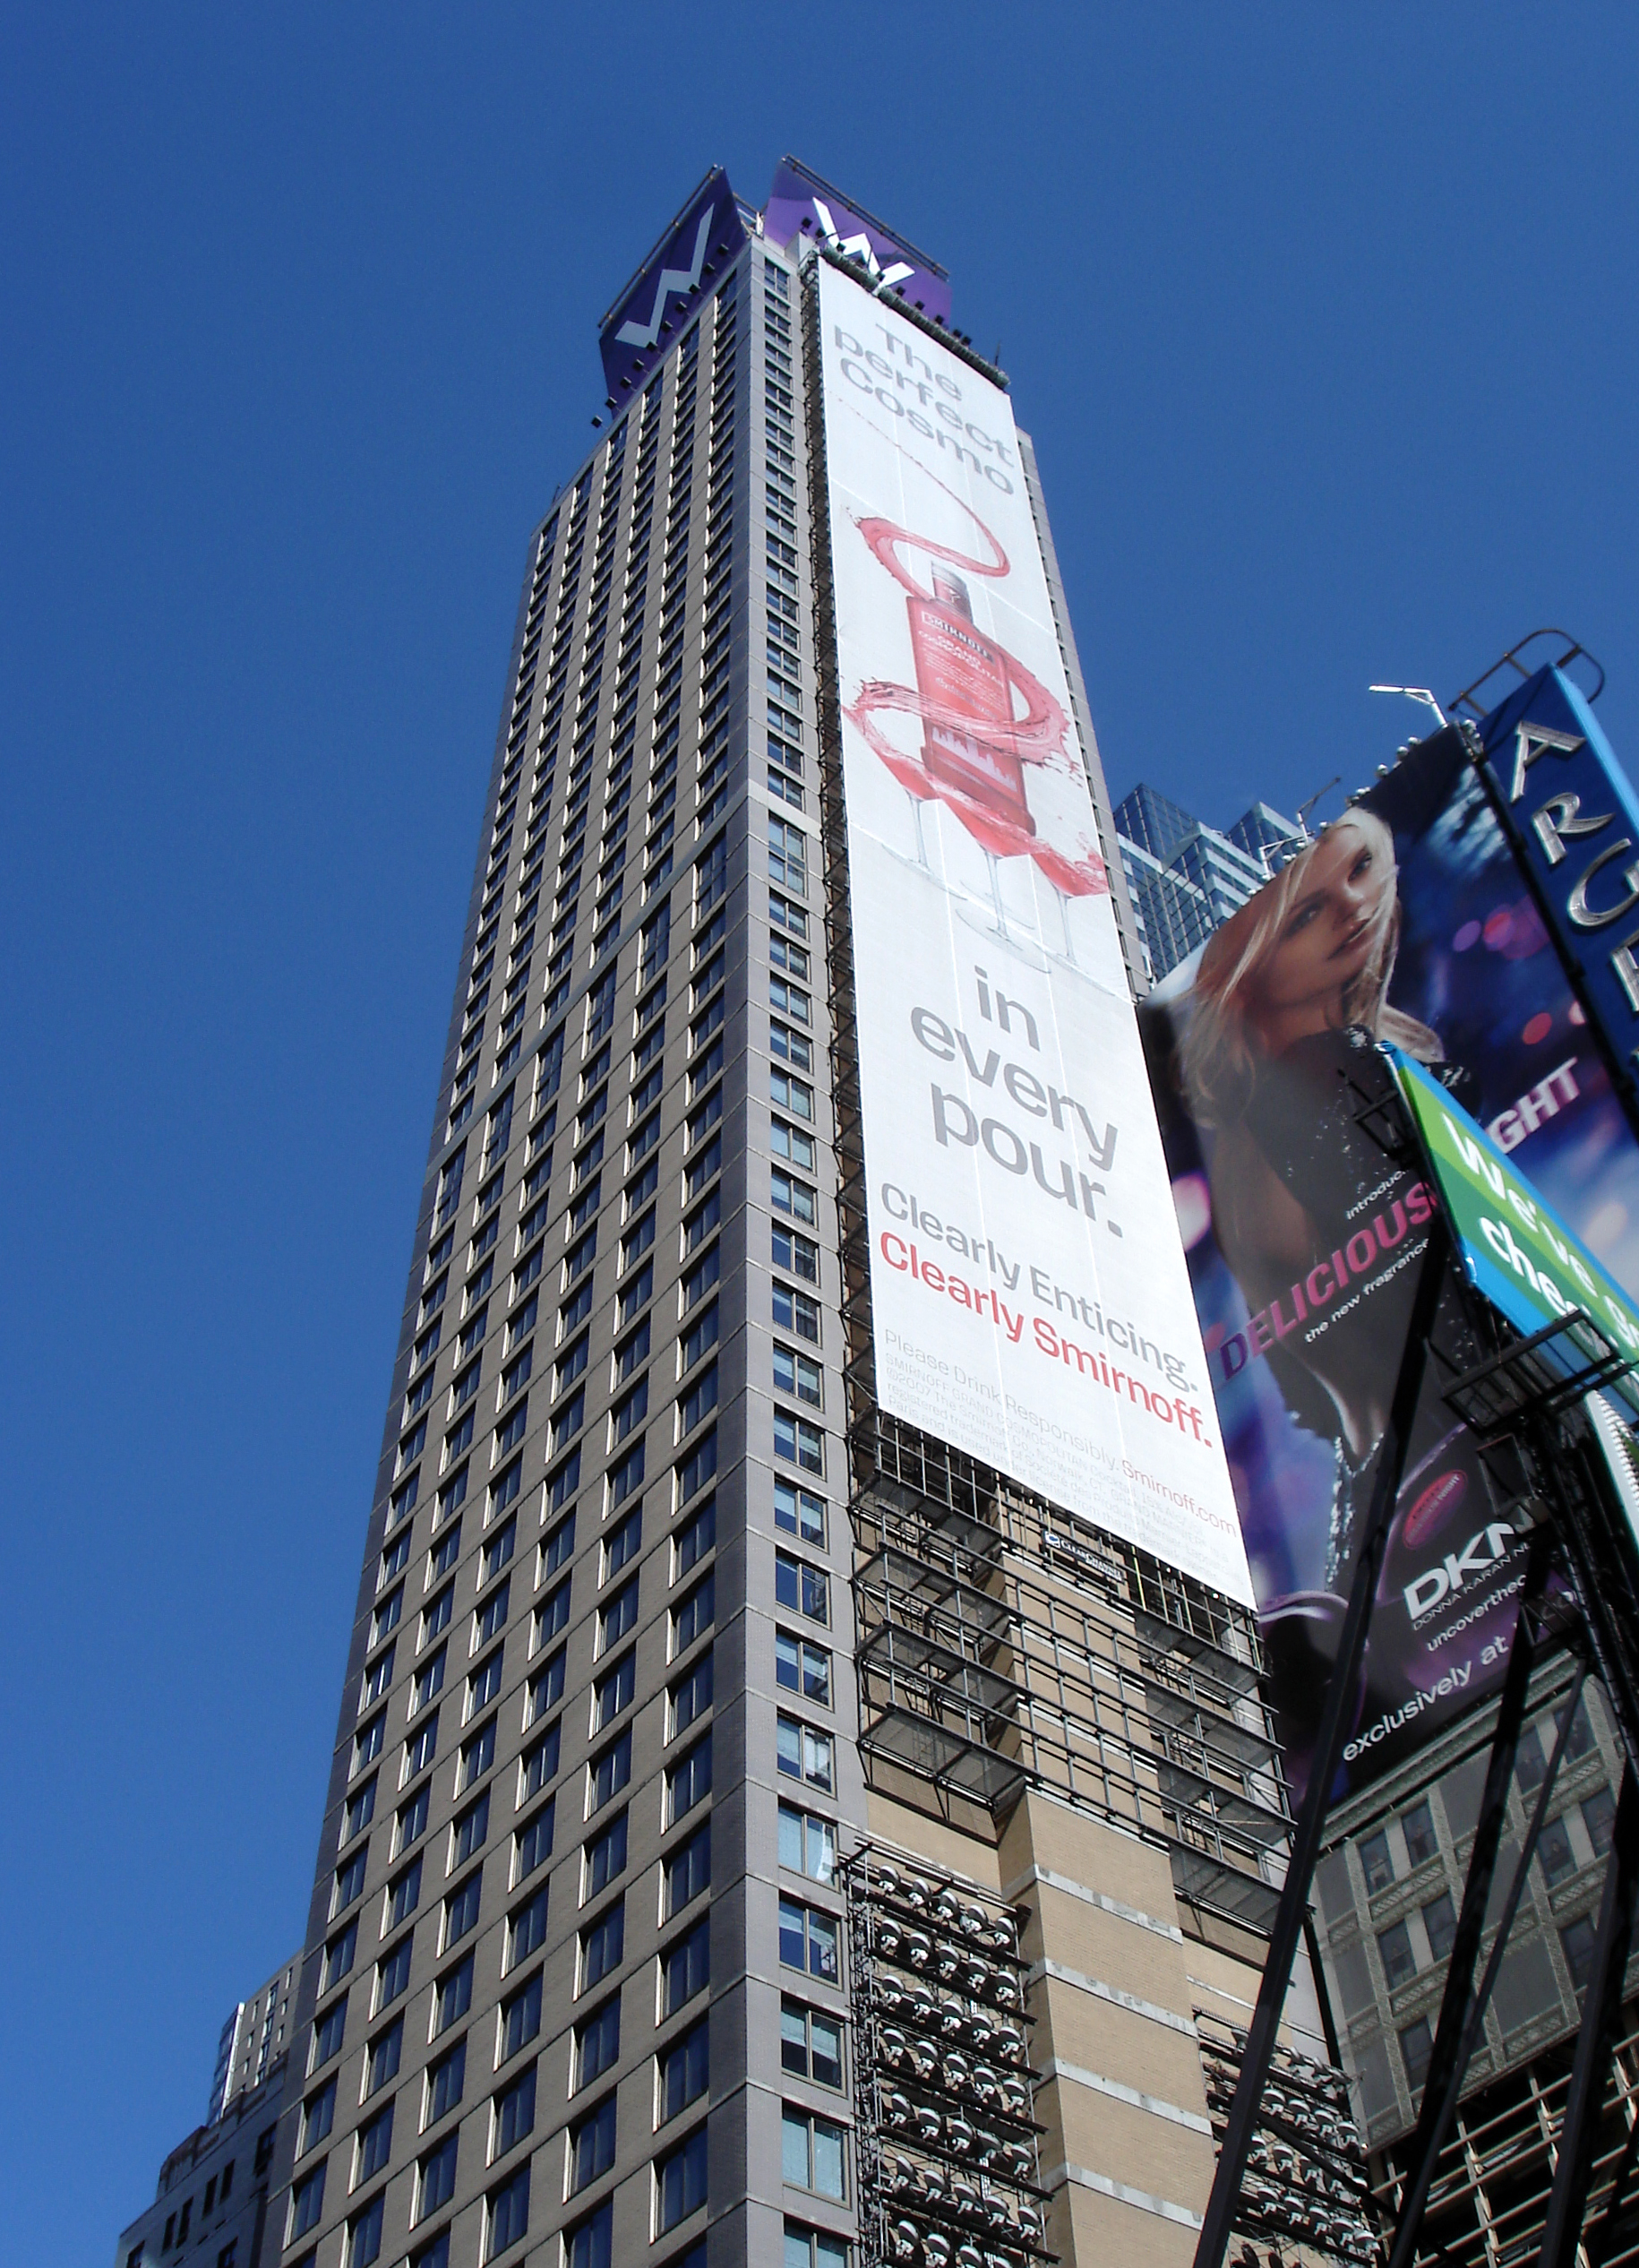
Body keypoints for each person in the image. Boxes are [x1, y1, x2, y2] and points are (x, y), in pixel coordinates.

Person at [1181, 810, 1449, 1585]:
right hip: (1458, 1455)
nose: (1354, 906)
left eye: (1362, 869)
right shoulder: (1335, 1080)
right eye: (1306, 915)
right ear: (1245, 979)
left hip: (1371, 1511)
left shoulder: (1235, 1139)